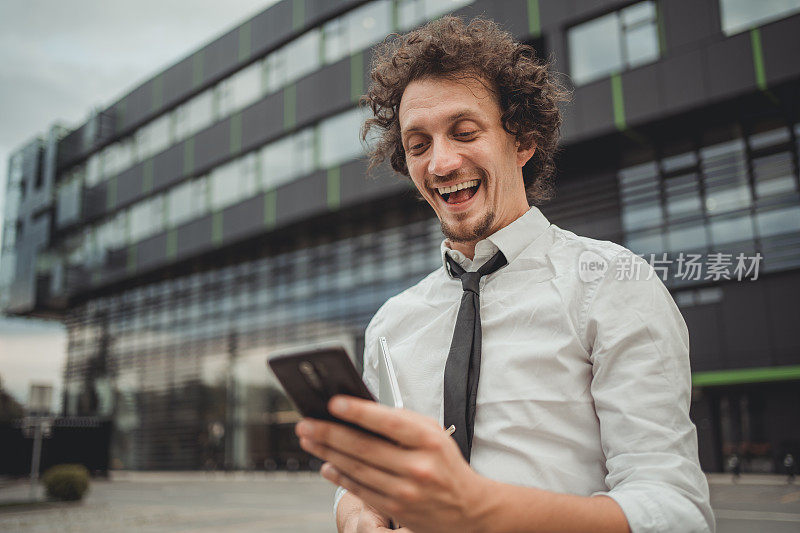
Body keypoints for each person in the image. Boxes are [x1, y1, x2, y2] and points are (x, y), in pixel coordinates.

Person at [295, 16, 714, 533]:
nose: (441, 162)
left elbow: (674, 511)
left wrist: (478, 510)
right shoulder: (389, 325)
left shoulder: (612, 282)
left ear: (523, 141)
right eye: (419, 144)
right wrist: (357, 513)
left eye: (465, 132)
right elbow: (366, 481)